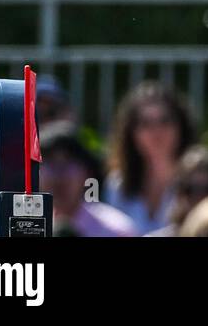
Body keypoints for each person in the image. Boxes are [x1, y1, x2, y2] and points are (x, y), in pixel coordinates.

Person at [104, 82, 197, 234]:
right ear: (131, 133)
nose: (156, 131)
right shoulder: (117, 185)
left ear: (181, 126)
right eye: (145, 123)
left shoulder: (199, 182)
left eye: (164, 121)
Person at [39, 122, 138, 236]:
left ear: (87, 173)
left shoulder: (116, 231)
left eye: (67, 164)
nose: (59, 175)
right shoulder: (27, 227)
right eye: (50, 163)